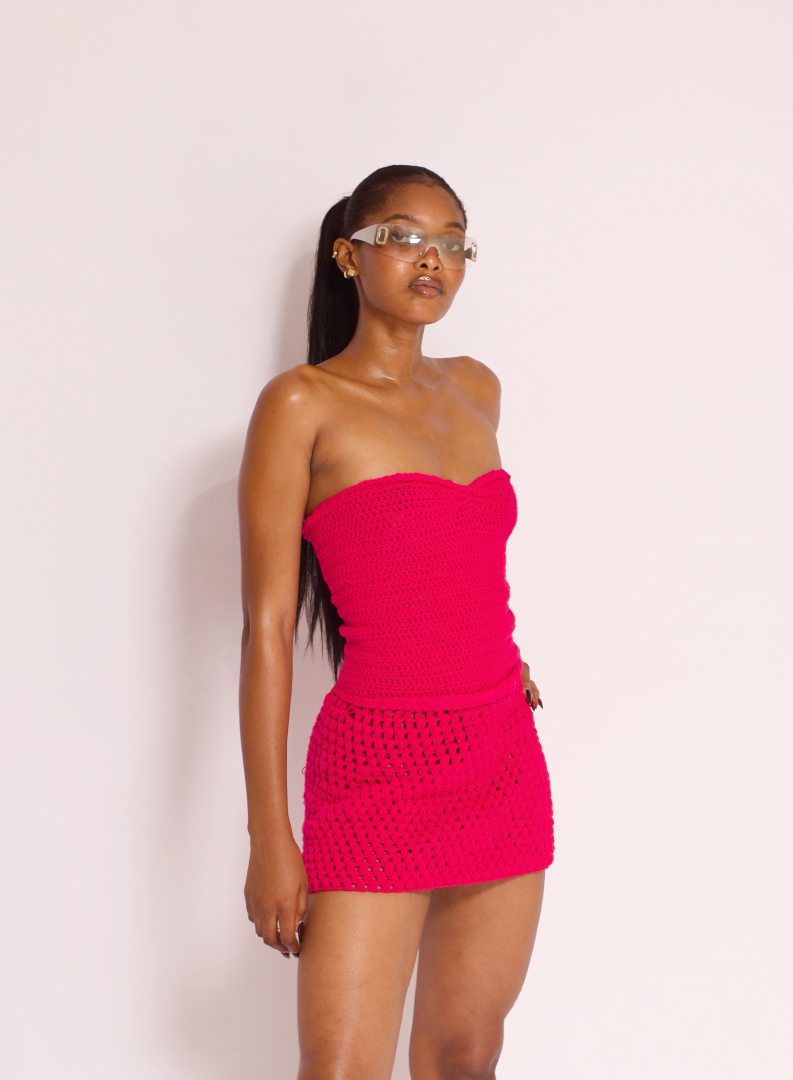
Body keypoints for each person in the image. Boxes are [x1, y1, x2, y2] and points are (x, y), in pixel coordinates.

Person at [237, 164, 555, 1080]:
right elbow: (268, 626)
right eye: (406, 237)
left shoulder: (478, 389)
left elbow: (458, 556)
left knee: (465, 1056)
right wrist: (270, 835)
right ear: (349, 256)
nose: (433, 260)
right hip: (376, 766)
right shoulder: (301, 404)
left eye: (453, 243)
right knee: (341, 1069)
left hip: (499, 754)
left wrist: (497, 654)